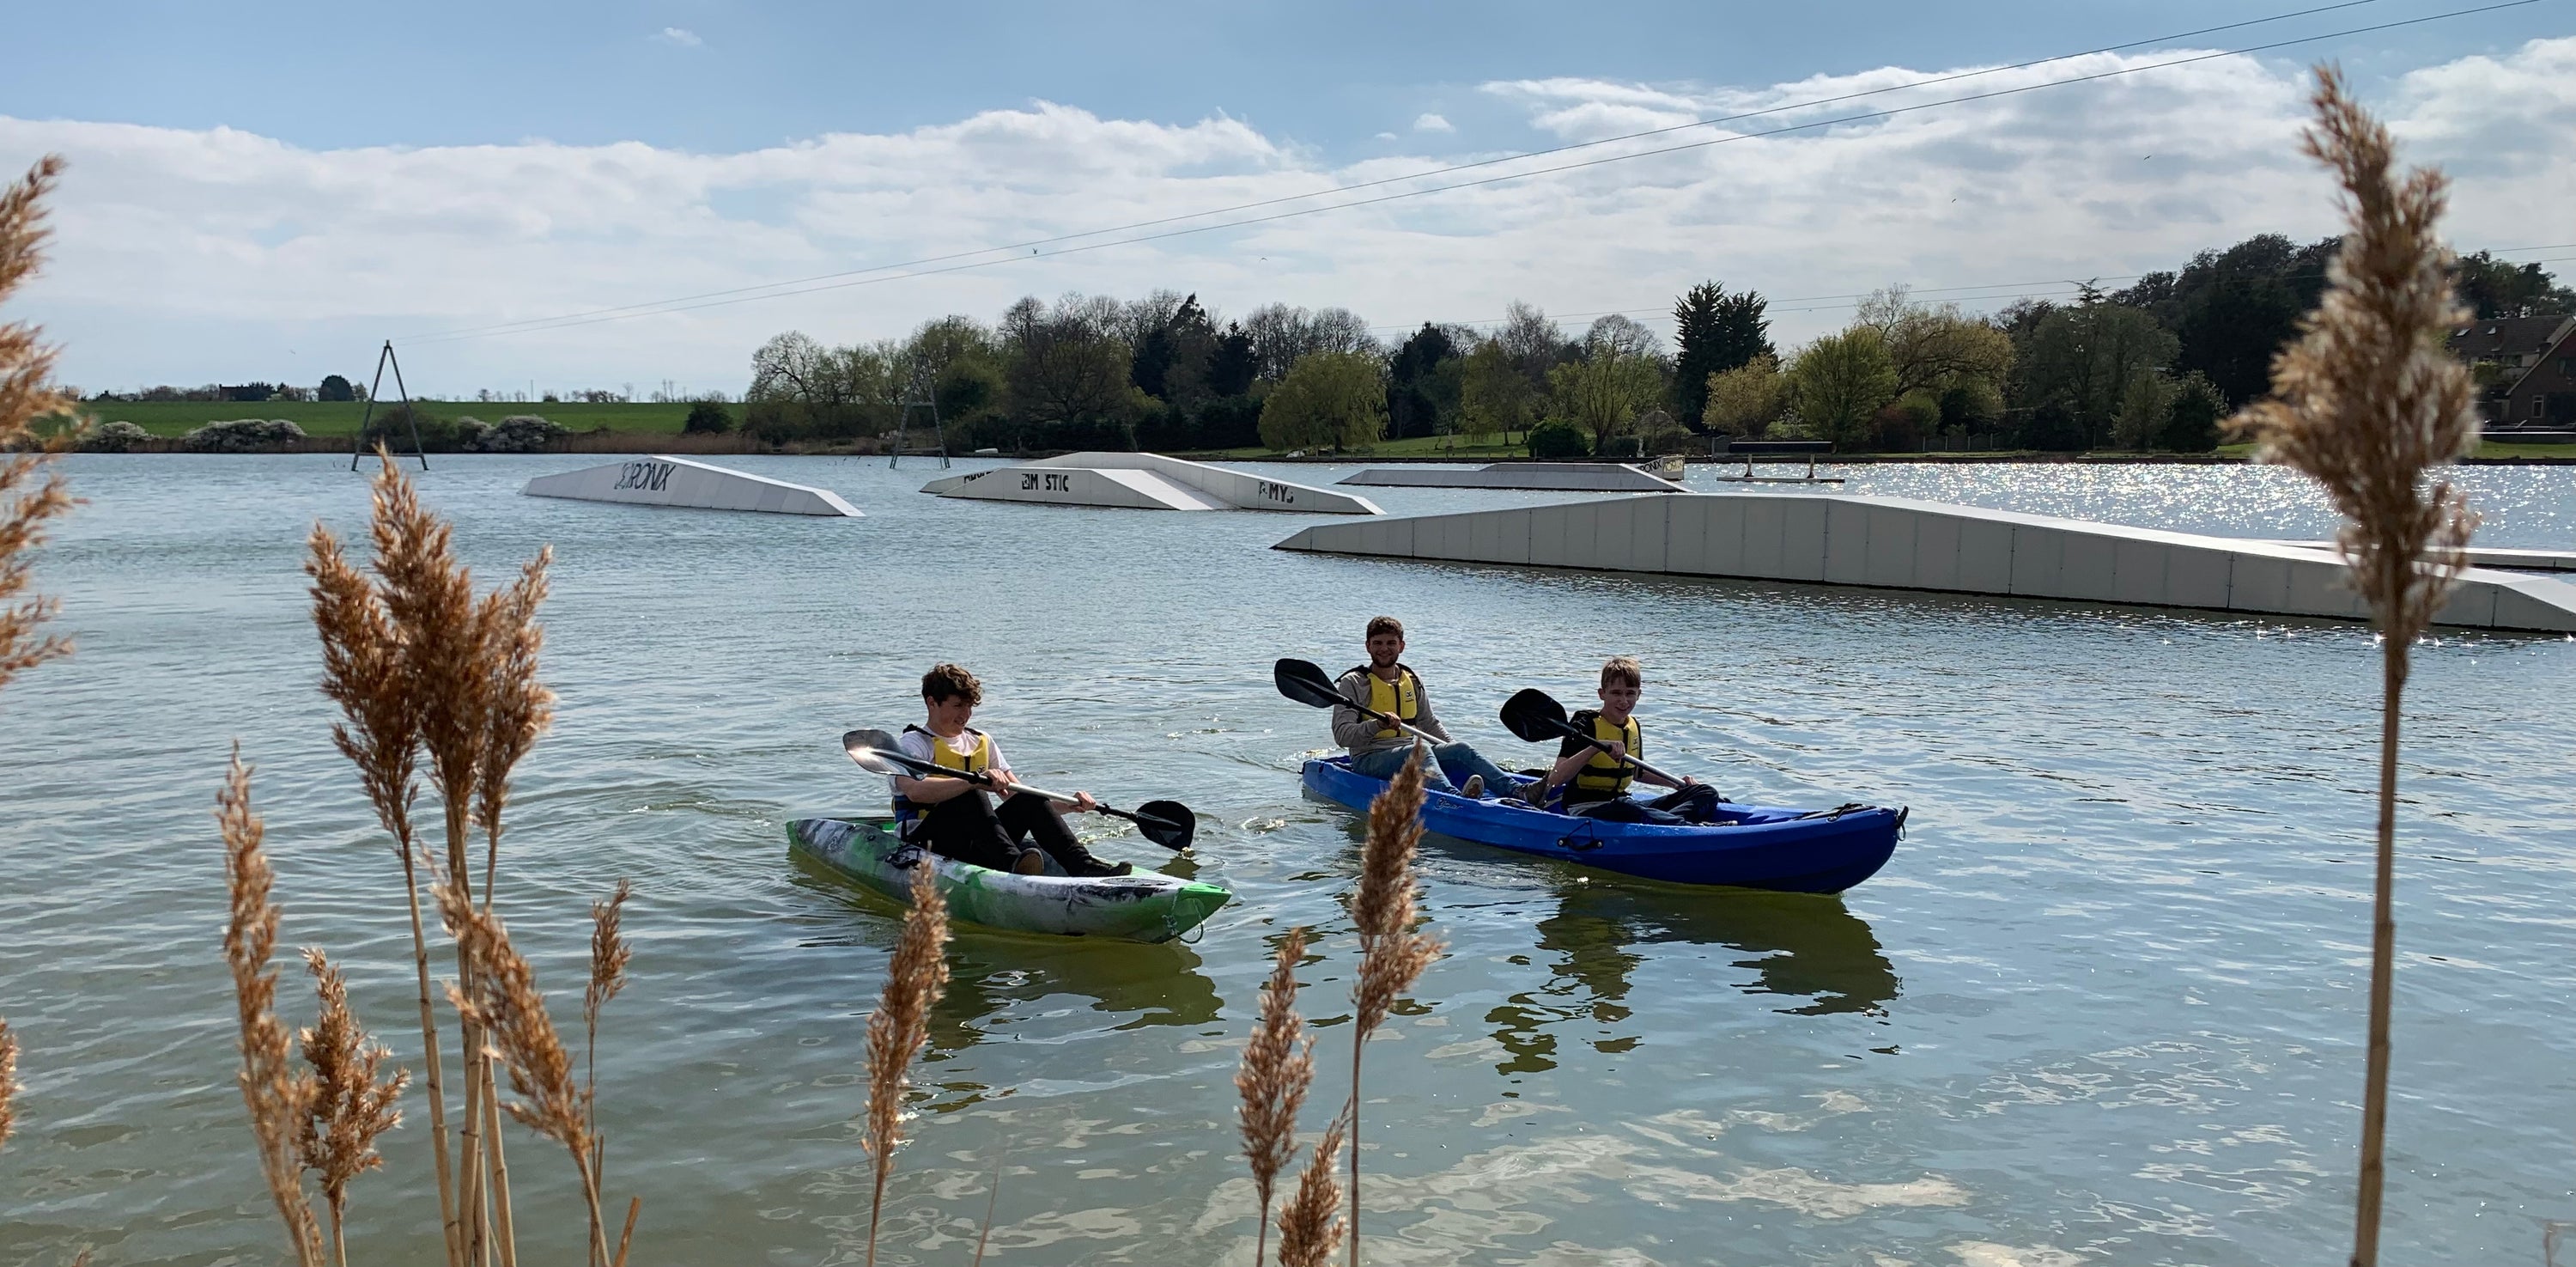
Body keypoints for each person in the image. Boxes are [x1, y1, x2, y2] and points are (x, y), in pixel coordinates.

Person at [886, 662, 1133, 877]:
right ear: (932, 703)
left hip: (976, 841)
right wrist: (973, 782)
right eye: (958, 705)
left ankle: (1083, 865)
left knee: (1030, 797)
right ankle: (1013, 864)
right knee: (971, 794)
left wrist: (1071, 806)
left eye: (970, 706)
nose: (966, 714)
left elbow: (1015, 794)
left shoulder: (981, 741)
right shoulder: (913, 744)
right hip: (926, 842)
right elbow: (914, 792)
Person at [1332, 615, 1518, 799]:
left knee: (1460, 749)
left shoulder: (1411, 680)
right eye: (1378, 643)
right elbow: (1342, 736)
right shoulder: (1353, 683)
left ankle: (1518, 791)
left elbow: (1428, 723)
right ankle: (1452, 798)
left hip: (1405, 753)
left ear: (1401, 646)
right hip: (1368, 759)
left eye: (1391, 643)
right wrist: (1377, 725)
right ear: (1368, 646)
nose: (1384, 649)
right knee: (1420, 750)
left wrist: (1451, 750)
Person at [1533, 656, 1722, 824]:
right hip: (1586, 808)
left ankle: (1667, 823)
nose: (1624, 701)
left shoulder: (1633, 725)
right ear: (1602, 694)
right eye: (1616, 693)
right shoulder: (1585, 724)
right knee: (1628, 807)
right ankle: (1685, 827)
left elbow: (1637, 773)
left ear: (1638, 695)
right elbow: (1557, 778)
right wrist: (1595, 748)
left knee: (1707, 792)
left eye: (1630, 693)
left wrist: (1676, 785)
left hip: (1622, 803)